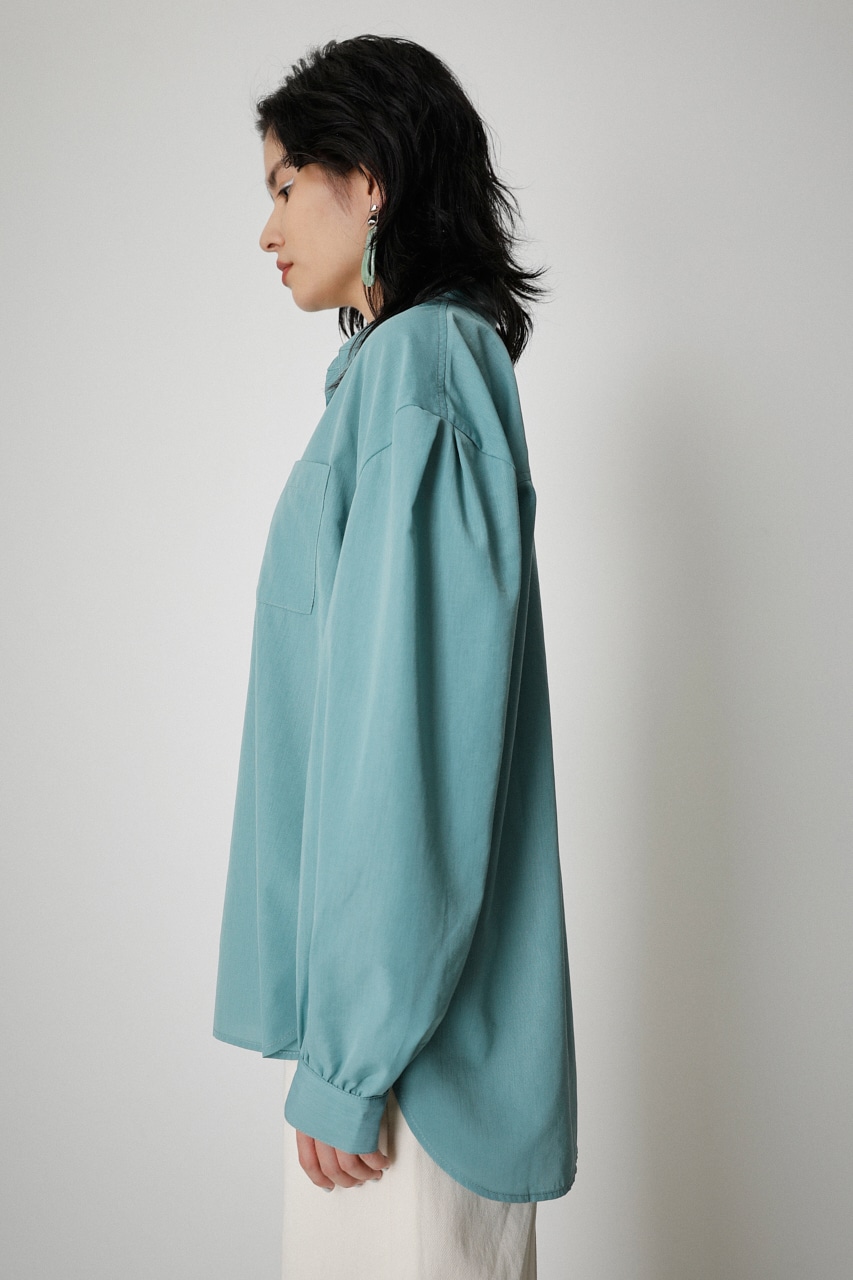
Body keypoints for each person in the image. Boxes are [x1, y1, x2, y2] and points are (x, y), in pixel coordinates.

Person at [212, 33, 578, 1280]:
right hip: (390, 1054)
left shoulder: (420, 371)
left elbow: (408, 747)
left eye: (283, 184)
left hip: (407, 1080)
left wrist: (351, 1057)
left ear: (367, 179)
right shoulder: (390, 379)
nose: (266, 230)